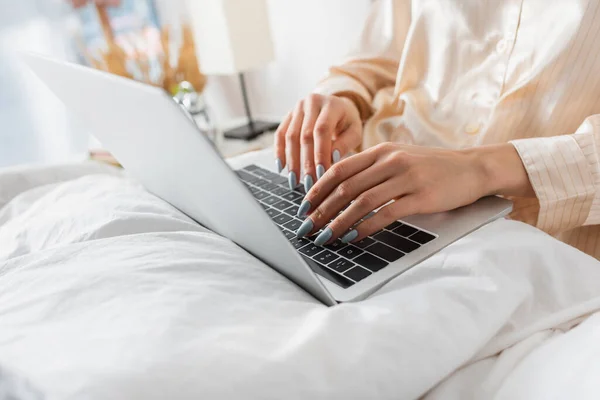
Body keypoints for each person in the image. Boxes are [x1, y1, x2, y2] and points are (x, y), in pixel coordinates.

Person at [276, 0, 600, 259]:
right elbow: (380, 54)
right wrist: (344, 96)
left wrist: (481, 169)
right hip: (374, 190)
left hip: (543, 237)